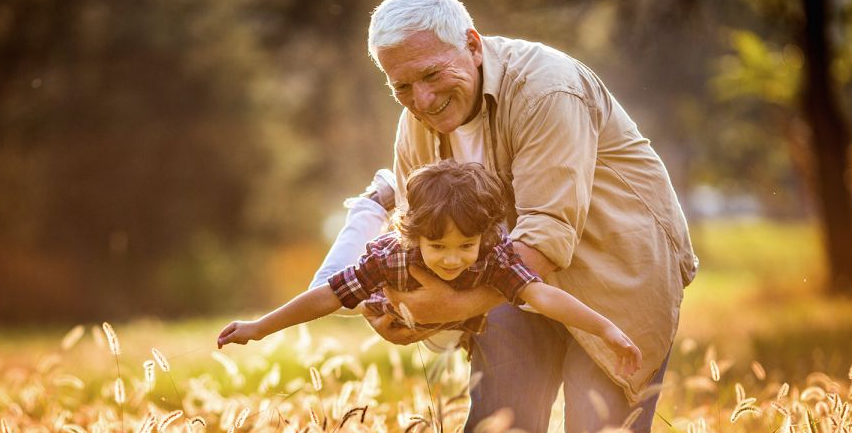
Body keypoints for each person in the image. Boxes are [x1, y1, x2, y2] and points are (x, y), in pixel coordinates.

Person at [312, 0, 698, 433]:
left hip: (616, 276)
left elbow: (541, 238)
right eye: (402, 86)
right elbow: (416, 236)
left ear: (472, 44)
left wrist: (446, 309)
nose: (421, 101)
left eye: (431, 75)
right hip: (505, 282)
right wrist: (403, 311)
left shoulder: (547, 89)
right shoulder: (415, 125)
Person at [218, 160, 644, 383]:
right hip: (391, 296)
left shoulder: (494, 255)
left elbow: (543, 296)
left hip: (451, 315)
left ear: (485, 237)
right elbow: (326, 296)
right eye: (438, 246)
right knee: (336, 293)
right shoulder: (391, 255)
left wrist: (604, 328)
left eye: (465, 246)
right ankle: (374, 201)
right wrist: (260, 326)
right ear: (416, 235)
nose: (453, 258)